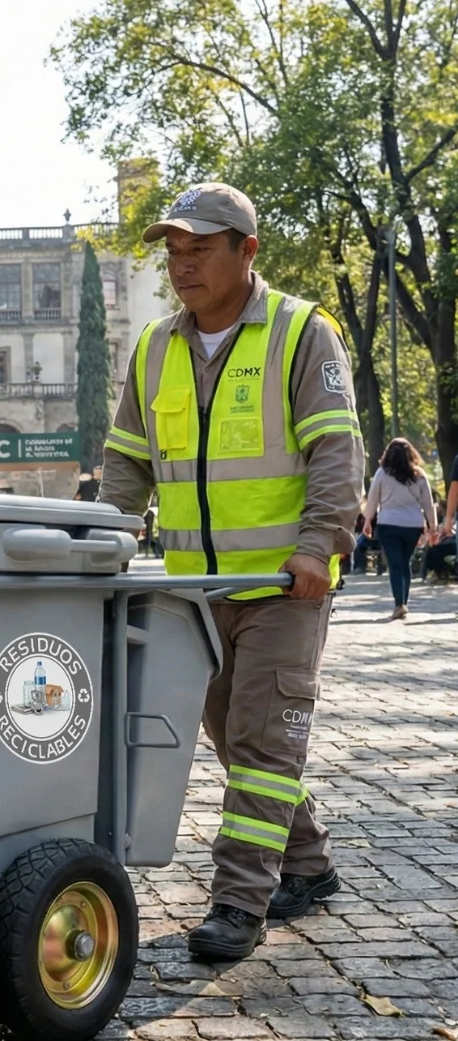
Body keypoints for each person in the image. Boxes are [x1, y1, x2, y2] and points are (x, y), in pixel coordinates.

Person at [100, 182, 364, 962]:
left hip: (285, 587)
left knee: (262, 740)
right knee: (231, 735)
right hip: (196, 592)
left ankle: (239, 901)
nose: (183, 266)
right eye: (174, 253)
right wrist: (103, 541)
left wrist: (319, 545)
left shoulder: (301, 331)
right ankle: (308, 863)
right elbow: (127, 463)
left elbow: (335, 450)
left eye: (200, 250)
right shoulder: (155, 348)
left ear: (247, 251)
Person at [362, 439, 436, 616]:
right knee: (405, 562)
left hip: (388, 524)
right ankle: (403, 602)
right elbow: (428, 503)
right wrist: (432, 526)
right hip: (412, 525)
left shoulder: (382, 473)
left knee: (395, 564)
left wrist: (367, 521)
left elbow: (372, 499)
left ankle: (399, 604)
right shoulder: (419, 475)